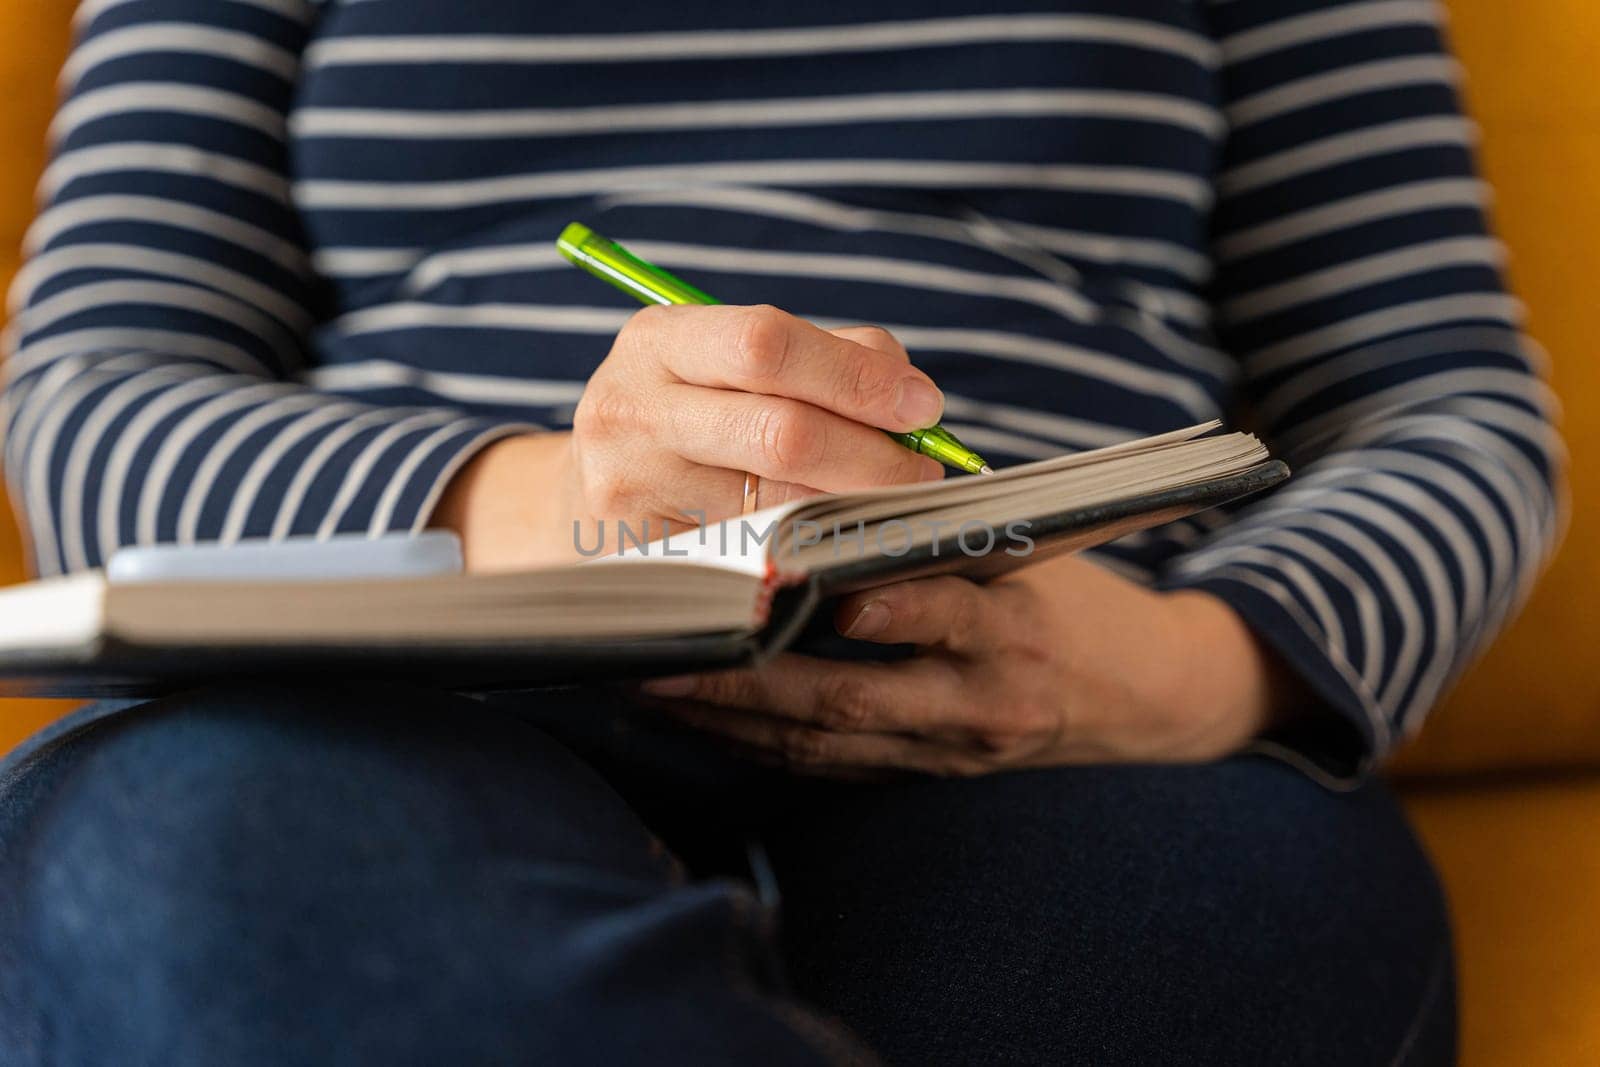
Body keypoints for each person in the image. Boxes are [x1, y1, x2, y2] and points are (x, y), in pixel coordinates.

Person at [0, 1, 1563, 1063]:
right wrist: (562, 509)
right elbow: (91, 392)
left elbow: (1438, 403)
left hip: (1079, 720)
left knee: (1193, 964)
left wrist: (1185, 669)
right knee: (213, 882)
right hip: (388, 694)